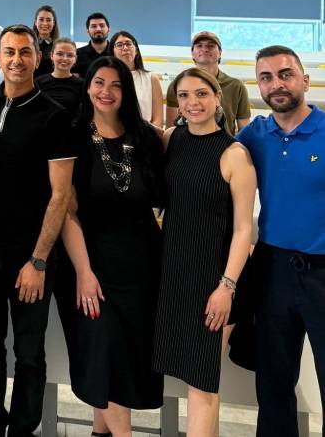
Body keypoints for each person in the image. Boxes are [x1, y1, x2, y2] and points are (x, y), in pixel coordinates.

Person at [0, 25, 74, 437]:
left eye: (25, 52)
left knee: (29, 352)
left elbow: (60, 196)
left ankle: (23, 430)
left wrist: (39, 260)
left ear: (38, 58)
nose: (16, 60)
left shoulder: (55, 115)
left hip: (30, 255)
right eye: (9, 52)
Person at [59, 56, 165, 437]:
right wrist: (84, 273)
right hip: (93, 263)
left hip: (142, 267)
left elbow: (164, 200)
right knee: (106, 353)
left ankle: (99, 432)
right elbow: (67, 213)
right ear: (87, 87)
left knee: (122, 361)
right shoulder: (73, 135)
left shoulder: (147, 138)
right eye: (99, 83)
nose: (107, 92)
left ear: (127, 91)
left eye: (116, 84)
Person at [153, 67, 256, 437]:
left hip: (216, 278)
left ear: (217, 98)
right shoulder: (172, 139)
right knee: (197, 380)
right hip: (178, 273)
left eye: (201, 94)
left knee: (201, 380)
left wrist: (226, 287)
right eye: (183, 95)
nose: (192, 102)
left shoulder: (235, 154)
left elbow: (243, 230)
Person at [235, 45, 325, 437]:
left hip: (323, 272)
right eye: (266, 77)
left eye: (285, 74)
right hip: (273, 272)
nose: (277, 84)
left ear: (305, 80)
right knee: (273, 383)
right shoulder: (254, 135)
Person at [165, 31, 251, 135]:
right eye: (199, 46)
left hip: (226, 143)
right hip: (186, 143)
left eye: (210, 46)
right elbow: (171, 129)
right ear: (192, 53)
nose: (205, 49)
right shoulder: (177, 86)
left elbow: (244, 130)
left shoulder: (236, 86)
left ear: (220, 53)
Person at [108, 31, 163, 128]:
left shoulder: (151, 78)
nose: (125, 48)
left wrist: (146, 134)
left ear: (136, 50)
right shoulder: (108, 79)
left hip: (145, 134)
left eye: (128, 44)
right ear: (113, 53)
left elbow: (158, 120)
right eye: (119, 45)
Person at [34, 38, 84, 117]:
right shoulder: (38, 82)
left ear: (75, 59)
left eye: (70, 55)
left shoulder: (83, 85)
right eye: (60, 54)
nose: (65, 58)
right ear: (51, 55)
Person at [74, 12, 109, 78]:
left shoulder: (116, 53)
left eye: (102, 25)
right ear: (87, 30)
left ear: (108, 29)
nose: (98, 29)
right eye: (94, 26)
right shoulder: (77, 54)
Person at [32, 5, 59, 78]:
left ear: (53, 23)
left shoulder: (59, 46)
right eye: (41, 19)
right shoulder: (29, 44)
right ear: (35, 22)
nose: (45, 23)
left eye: (48, 20)